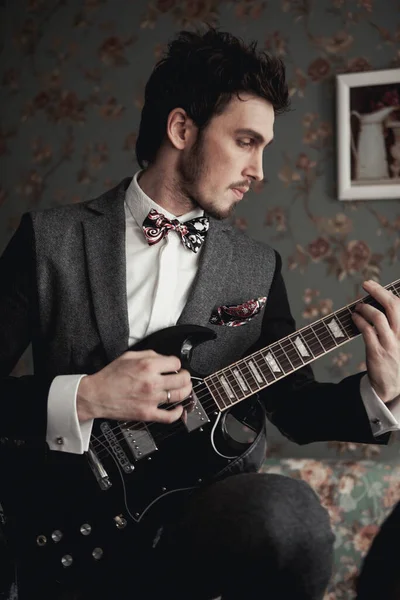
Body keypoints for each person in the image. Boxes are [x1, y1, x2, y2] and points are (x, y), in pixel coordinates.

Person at [0, 27, 399, 600]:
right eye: (245, 141)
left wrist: (383, 392)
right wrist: (86, 395)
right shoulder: (49, 240)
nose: (260, 170)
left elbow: (297, 407)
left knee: (289, 513)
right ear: (182, 128)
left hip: (197, 526)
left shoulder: (258, 267)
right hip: (59, 517)